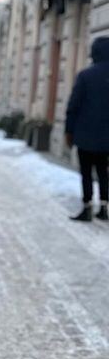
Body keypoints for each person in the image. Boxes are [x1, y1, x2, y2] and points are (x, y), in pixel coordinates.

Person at [65, 36, 109, 222]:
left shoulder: (85, 76)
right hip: (106, 136)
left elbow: (73, 106)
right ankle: (104, 207)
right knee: (103, 171)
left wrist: (69, 131)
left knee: (86, 171)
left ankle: (87, 206)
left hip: (85, 134)